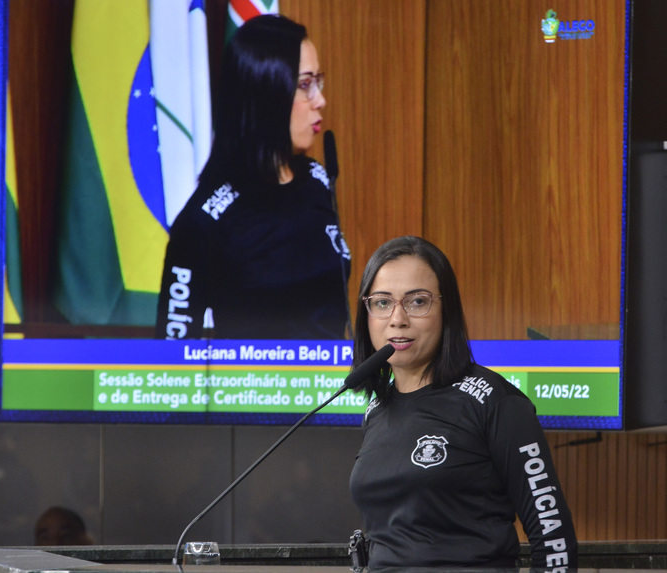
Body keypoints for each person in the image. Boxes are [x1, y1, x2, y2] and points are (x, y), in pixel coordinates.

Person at [348, 236, 577, 571]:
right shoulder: (376, 410)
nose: (397, 319)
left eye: (417, 301)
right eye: (382, 302)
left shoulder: (495, 402)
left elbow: (554, 541)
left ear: (447, 310)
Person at [155, 14, 350, 340]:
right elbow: (172, 353)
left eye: (319, 81)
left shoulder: (317, 181)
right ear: (267, 94)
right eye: (305, 85)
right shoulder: (205, 220)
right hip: (251, 375)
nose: (320, 100)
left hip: (331, 373)